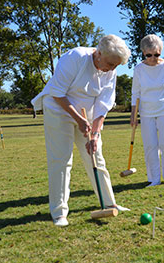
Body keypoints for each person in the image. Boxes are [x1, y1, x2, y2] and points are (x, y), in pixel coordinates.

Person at [31, 34, 131, 226]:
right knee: (61, 159)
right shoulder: (75, 58)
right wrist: (79, 119)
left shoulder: (111, 70)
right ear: (99, 53)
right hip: (59, 110)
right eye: (111, 63)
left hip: (88, 114)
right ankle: (59, 212)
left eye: (116, 65)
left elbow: (104, 104)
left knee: (96, 156)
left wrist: (95, 133)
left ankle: (110, 204)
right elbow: (57, 93)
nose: (112, 69)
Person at [131, 34, 164, 187]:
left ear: (160, 51)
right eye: (149, 55)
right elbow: (135, 93)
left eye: (157, 54)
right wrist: (133, 115)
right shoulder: (139, 69)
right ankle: (153, 178)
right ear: (143, 52)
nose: (153, 58)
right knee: (150, 145)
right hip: (146, 112)